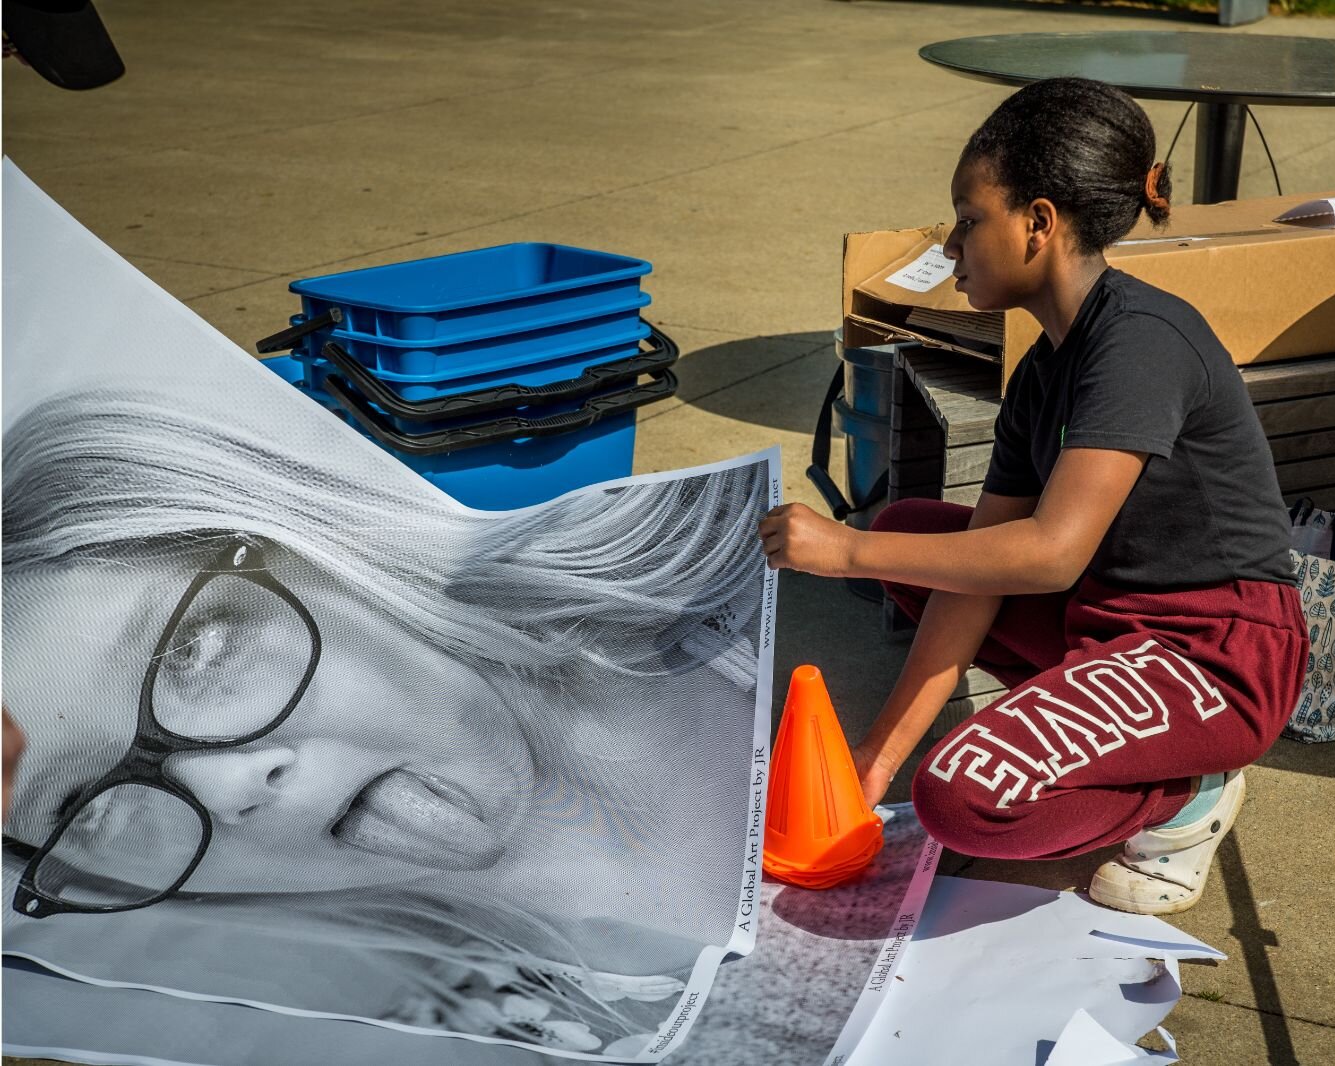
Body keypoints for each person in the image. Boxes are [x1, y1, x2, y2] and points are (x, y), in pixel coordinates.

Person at [1, 385, 769, 1056]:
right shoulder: (459, 1031)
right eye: (81, 807)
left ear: (306, 543)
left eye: (193, 652)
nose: (224, 783)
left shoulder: (791, 625)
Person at [759, 77, 1309, 916]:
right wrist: (876, 758)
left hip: (1214, 653)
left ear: (1040, 222)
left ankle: (1189, 794)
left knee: (961, 799)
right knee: (917, 531)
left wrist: (846, 551)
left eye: (970, 218)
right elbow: (982, 572)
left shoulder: (1138, 344)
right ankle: (1093, 728)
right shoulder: (1046, 367)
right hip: (1112, 616)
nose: (953, 245)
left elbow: (1049, 554)